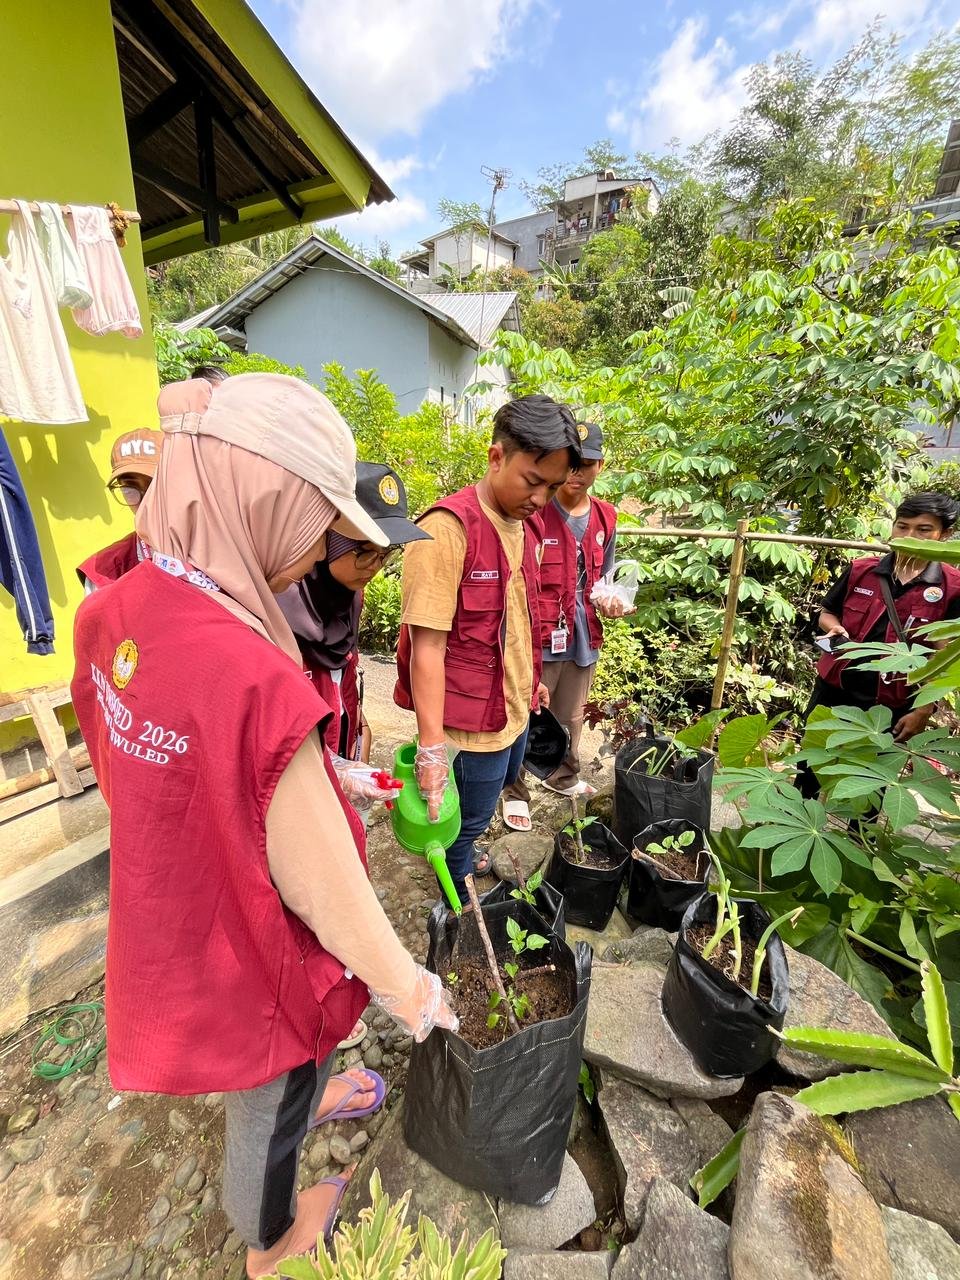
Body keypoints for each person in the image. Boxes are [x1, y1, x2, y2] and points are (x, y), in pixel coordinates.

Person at [70, 374, 456, 1279]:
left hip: (177, 898)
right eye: (306, 521)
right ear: (256, 498)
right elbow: (326, 893)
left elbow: (169, 765)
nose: (309, 553)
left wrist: (319, 774)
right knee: (268, 1093)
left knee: (271, 1091)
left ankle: (309, 1109)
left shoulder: (117, 599)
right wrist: (409, 989)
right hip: (253, 944)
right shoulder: (252, 675)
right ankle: (270, 1238)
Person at [394, 394, 582, 902]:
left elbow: (516, 613)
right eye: (532, 481)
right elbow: (426, 647)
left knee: (492, 795)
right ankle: (454, 892)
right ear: (496, 456)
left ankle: (466, 853)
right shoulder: (446, 530)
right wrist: (432, 749)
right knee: (469, 813)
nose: (542, 498)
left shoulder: (524, 523)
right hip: (471, 725)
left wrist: (532, 678)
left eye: (552, 485)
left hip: (515, 705)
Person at [798, 491, 960, 798]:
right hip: (835, 692)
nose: (908, 535)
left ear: (945, 534)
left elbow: (947, 656)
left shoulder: (952, 587)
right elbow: (827, 613)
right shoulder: (862, 569)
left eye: (923, 529)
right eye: (902, 526)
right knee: (809, 773)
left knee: (869, 792)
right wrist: (835, 628)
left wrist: (925, 708)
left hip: (894, 704)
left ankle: (861, 842)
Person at [503, 422, 622, 813]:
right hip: (538, 631)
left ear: (600, 466)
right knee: (524, 710)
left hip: (583, 632)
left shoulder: (606, 517)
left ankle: (563, 775)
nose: (577, 473)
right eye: (572, 464)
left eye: (587, 464)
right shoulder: (535, 510)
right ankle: (514, 790)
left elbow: (606, 576)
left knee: (572, 711)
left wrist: (611, 600)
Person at [279, 462, 429, 764]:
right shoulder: (275, 613)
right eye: (363, 551)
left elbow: (341, 686)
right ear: (329, 537)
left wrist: (360, 735)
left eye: (385, 553)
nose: (374, 566)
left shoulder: (350, 599)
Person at [76, 427, 163, 590]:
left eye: (155, 485)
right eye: (129, 489)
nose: (145, 501)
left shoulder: (214, 549)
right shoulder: (105, 572)